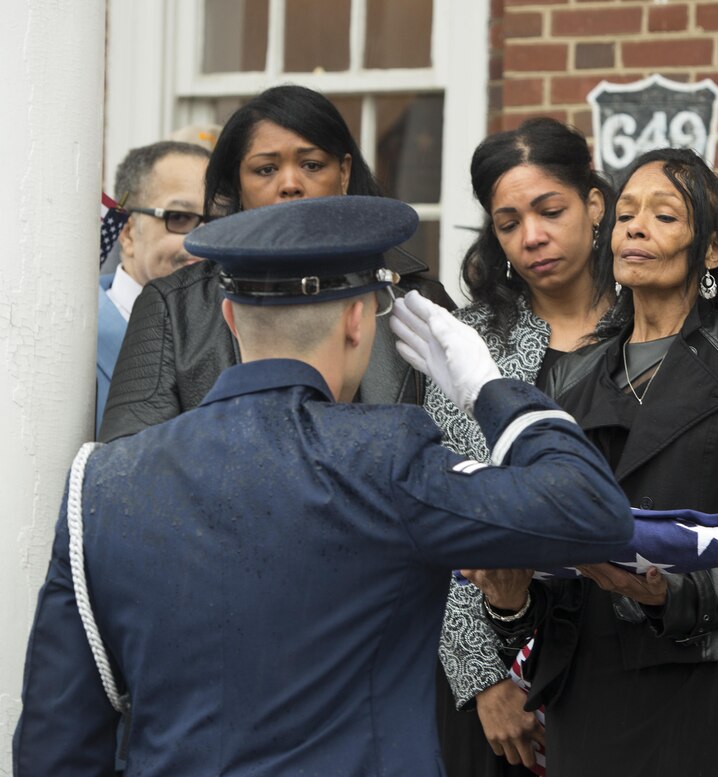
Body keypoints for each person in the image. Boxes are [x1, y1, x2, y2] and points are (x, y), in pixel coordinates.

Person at [13, 195, 634, 776]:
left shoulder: (101, 481)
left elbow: (57, 743)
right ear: (359, 321)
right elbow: (592, 510)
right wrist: (487, 390)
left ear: (230, 316)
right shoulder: (387, 455)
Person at [467, 147, 718, 777]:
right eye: (625, 213)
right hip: (588, 685)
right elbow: (551, 549)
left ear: (709, 251)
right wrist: (509, 599)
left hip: (704, 671)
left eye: (665, 215)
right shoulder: (568, 376)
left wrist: (665, 593)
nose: (635, 227)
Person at [98, 84, 451, 442]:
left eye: (312, 165)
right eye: (265, 170)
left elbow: (456, 449)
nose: (290, 184)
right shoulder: (171, 306)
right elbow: (133, 461)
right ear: (237, 182)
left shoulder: (416, 297)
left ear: (344, 173)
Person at [430, 118, 613, 776]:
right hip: (496, 667)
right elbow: (446, 507)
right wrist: (484, 678)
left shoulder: (653, 319)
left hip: (625, 642)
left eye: (550, 209)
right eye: (508, 222)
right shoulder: (468, 342)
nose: (531, 236)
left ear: (594, 203)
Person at [96, 140, 209, 431]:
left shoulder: (238, 336)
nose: (203, 240)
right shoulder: (71, 341)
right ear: (128, 232)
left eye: (220, 221)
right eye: (180, 218)